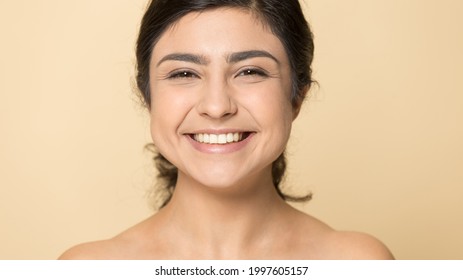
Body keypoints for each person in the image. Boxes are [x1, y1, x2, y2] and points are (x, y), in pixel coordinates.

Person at [59, 0, 393, 259]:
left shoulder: (359, 264)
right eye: (184, 74)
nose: (217, 106)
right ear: (148, 97)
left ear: (296, 97)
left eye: (250, 72)